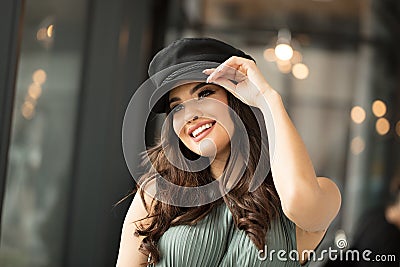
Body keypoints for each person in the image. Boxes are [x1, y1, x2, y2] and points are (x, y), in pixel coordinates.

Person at [116, 37, 341, 267]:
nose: (190, 116)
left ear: (237, 98)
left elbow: (297, 200)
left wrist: (268, 99)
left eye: (204, 93)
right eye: (177, 107)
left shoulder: (321, 193)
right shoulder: (158, 193)